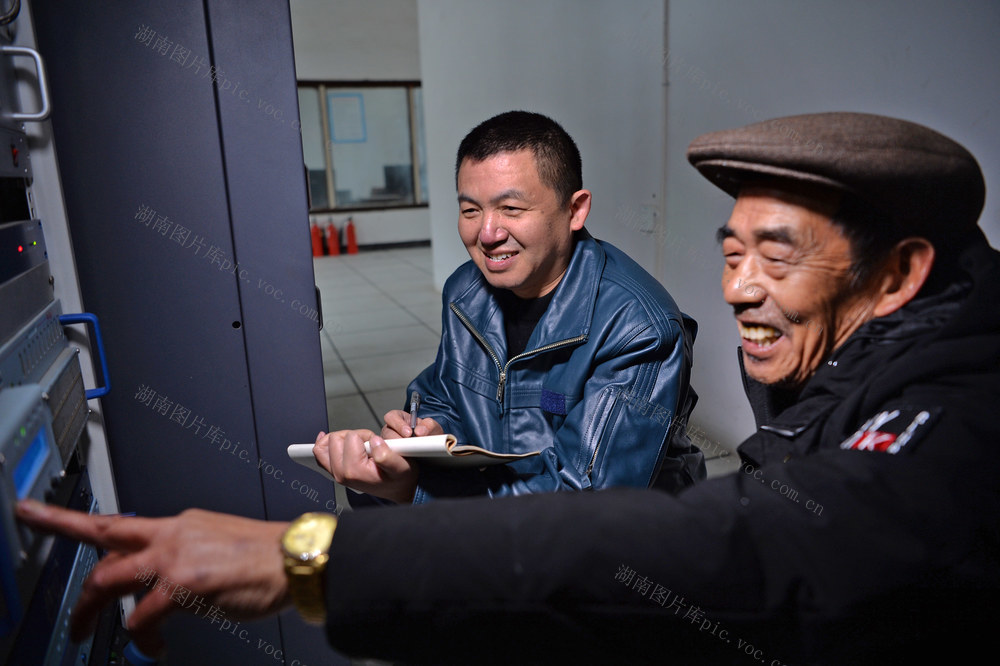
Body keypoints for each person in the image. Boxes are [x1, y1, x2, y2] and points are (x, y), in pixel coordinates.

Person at [17, 112, 1000, 664]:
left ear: (900, 274)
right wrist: (397, 463)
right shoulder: (466, 293)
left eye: (776, 256)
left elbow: (727, 536)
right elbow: (438, 392)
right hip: (506, 564)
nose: (738, 286)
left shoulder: (955, 409)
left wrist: (327, 553)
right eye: (731, 250)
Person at [316, 111, 703, 505]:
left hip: (623, 543)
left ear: (575, 210)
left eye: (512, 210)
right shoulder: (466, 291)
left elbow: (585, 499)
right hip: (500, 514)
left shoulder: (638, 328)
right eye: (470, 211)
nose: (487, 234)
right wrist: (430, 432)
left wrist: (414, 491)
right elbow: (443, 395)